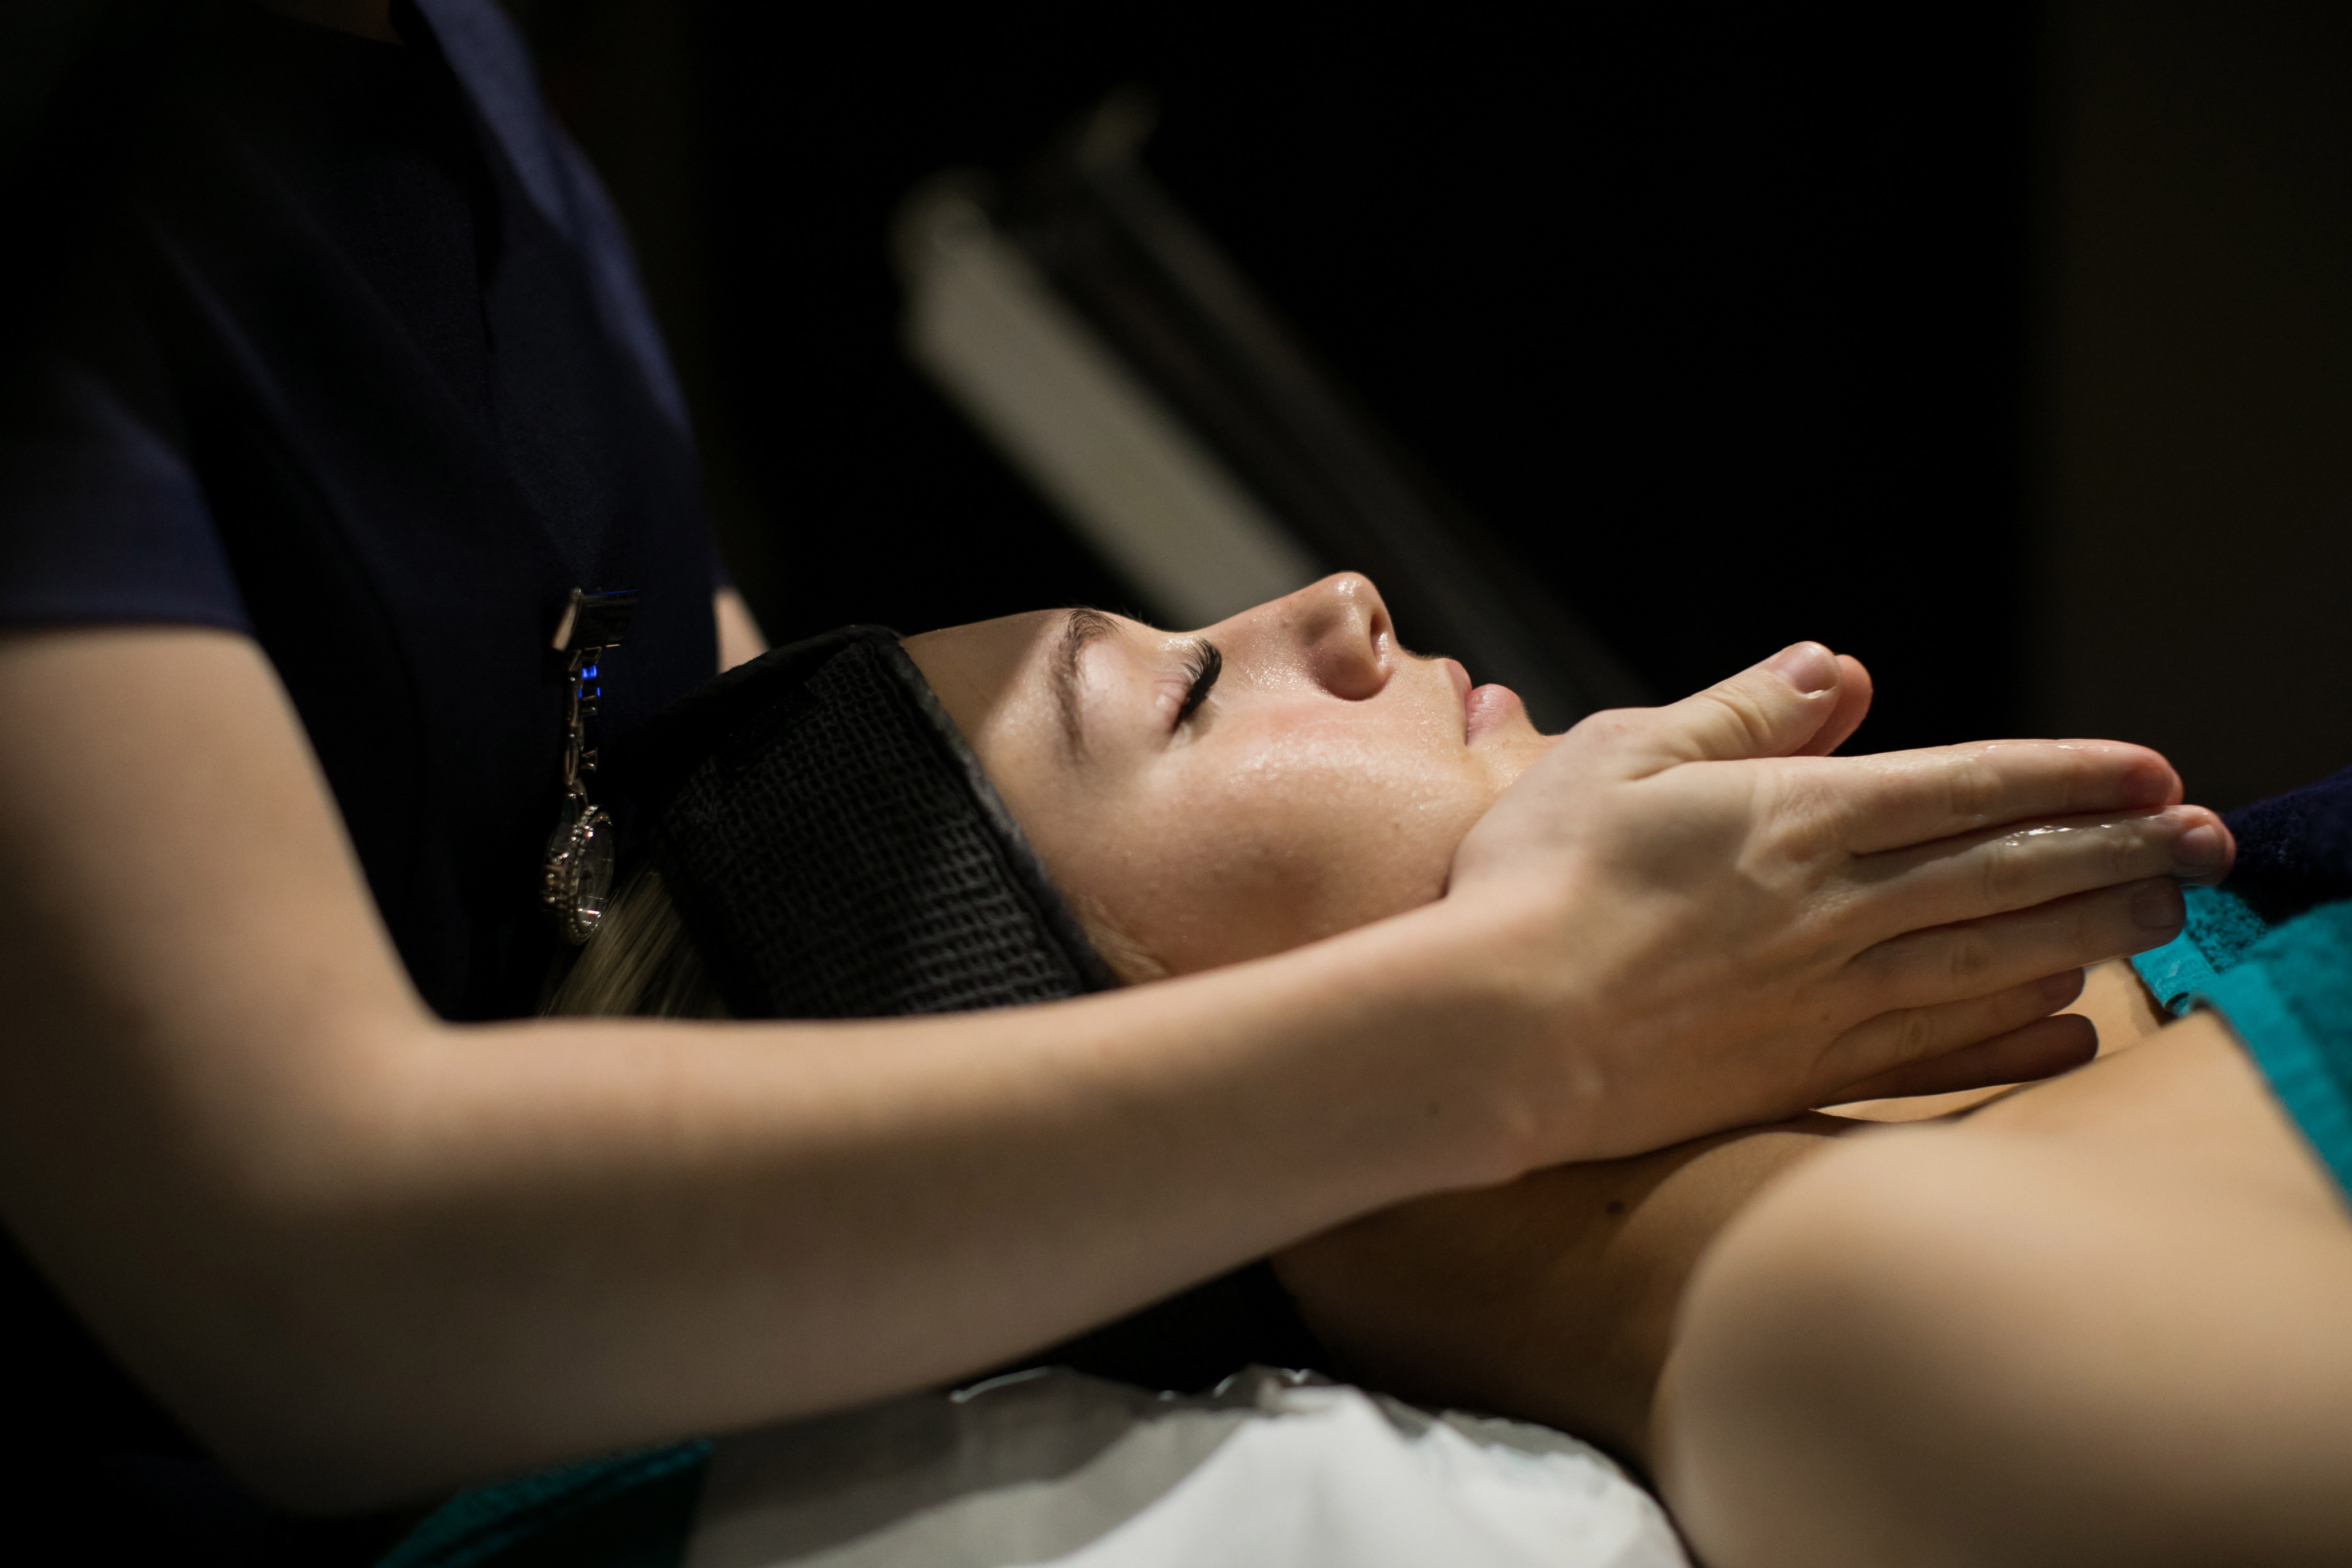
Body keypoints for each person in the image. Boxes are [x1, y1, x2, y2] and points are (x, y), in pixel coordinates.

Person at [0, 0, 2226, 1559]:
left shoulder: (448, 85)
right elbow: (306, 1279)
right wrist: (1519, 1026)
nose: (1336, 601)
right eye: (1168, 690)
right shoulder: (1864, 1334)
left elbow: (799, 836)